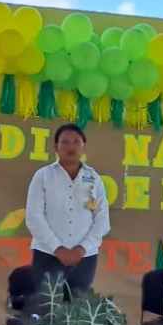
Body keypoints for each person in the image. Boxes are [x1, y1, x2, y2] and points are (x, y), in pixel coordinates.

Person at [25, 123, 110, 296]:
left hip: (85, 257)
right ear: (56, 147)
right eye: (65, 142)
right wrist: (58, 249)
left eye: (76, 142)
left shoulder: (94, 178)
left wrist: (82, 249)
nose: (71, 147)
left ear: (84, 147)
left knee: (77, 308)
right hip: (48, 254)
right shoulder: (43, 176)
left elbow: (102, 219)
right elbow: (34, 217)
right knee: (47, 305)